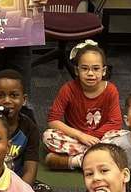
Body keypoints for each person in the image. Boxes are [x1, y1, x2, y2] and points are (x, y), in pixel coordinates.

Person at [43, 41, 123, 170]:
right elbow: (53, 120)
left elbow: (115, 122)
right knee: (48, 136)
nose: (90, 73)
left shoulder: (111, 90)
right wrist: (81, 136)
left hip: (100, 138)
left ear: (103, 71)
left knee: (124, 138)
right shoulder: (68, 89)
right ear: (76, 70)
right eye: (85, 68)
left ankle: (76, 161)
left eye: (96, 69)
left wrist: (93, 137)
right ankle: (100, 159)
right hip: (77, 138)